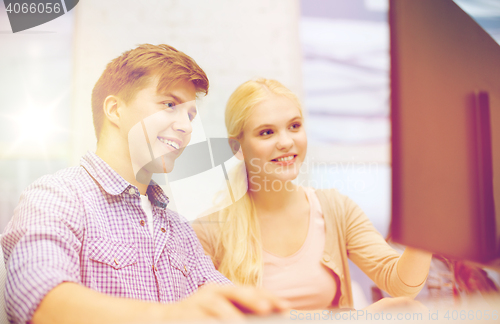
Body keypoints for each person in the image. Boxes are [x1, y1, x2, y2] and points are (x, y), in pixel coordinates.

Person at [1, 45, 287, 324]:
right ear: (115, 109)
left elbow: (225, 304)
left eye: (190, 115)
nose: (187, 127)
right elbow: (39, 299)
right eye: (170, 105)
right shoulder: (57, 196)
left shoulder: (179, 230)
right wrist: (173, 316)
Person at [192, 78, 433, 311]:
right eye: (266, 132)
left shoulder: (336, 209)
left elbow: (401, 286)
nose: (286, 142)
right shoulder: (208, 232)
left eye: (294, 126)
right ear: (237, 147)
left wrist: (427, 222)